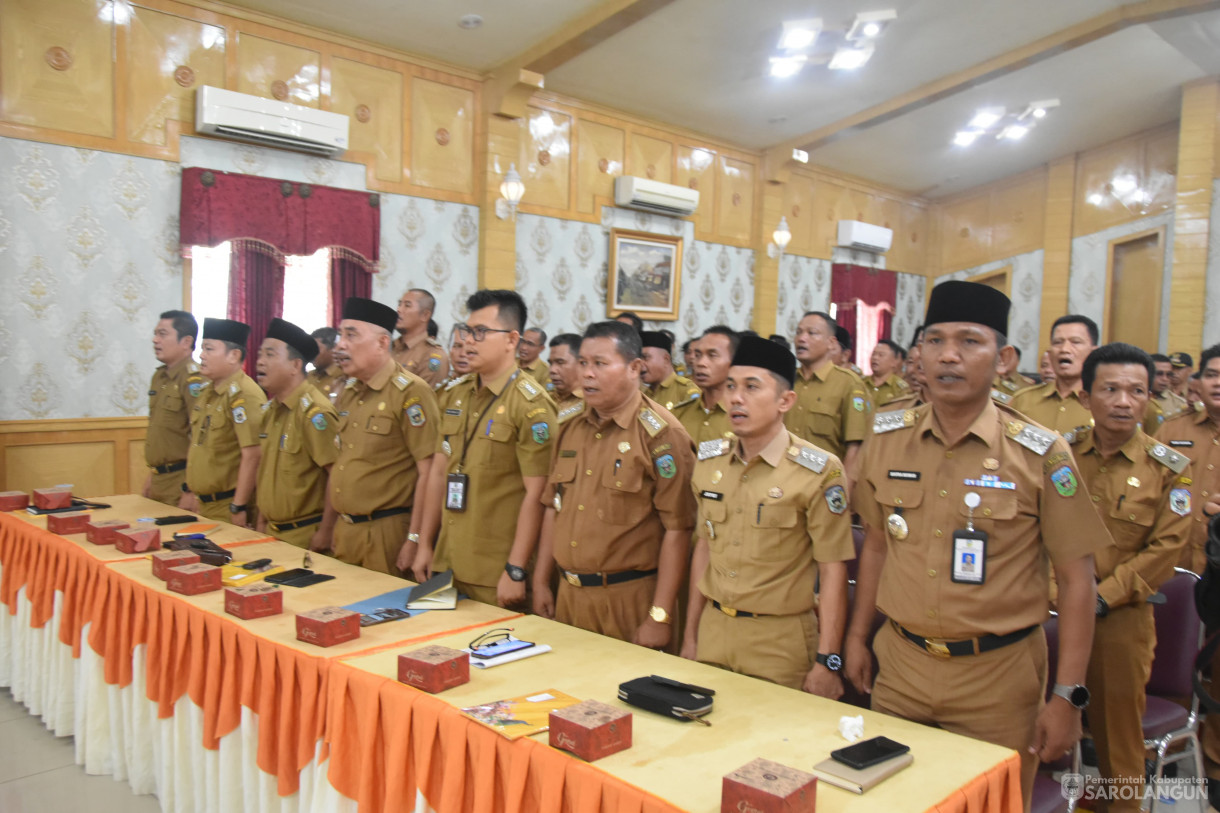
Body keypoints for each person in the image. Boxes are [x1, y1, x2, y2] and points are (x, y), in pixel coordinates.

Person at [846, 280, 1105, 805]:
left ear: (1004, 358)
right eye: (935, 340)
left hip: (999, 678)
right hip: (901, 665)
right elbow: (875, 544)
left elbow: (1079, 580)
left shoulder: (1040, 453)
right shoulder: (887, 436)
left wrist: (1068, 697)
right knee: (891, 800)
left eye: (969, 342)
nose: (948, 355)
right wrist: (856, 636)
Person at [682, 335, 854, 695]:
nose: (735, 398)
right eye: (730, 386)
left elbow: (833, 569)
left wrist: (828, 660)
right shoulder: (710, 460)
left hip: (779, 640)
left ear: (785, 401)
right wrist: (691, 635)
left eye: (751, 387)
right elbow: (704, 550)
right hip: (714, 627)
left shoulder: (819, 471)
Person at [1071, 342, 1190, 813]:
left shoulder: (1167, 469)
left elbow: (1167, 550)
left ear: (1149, 399)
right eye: (1111, 389)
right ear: (1086, 397)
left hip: (1118, 622)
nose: (1124, 401)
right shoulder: (1061, 455)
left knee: (1117, 744)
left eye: (1137, 391)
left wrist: (1101, 597)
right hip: (1050, 613)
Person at [533, 322, 696, 649]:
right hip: (569, 593)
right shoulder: (569, 425)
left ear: (635, 368)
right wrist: (540, 582)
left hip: (628, 598)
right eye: (583, 363)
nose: (587, 374)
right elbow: (554, 506)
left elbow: (679, 530)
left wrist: (660, 615)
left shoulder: (662, 435)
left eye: (600, 364)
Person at [412, 290, 557, 607]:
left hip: (496, 569)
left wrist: (516, 569)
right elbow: (438, 473)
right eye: (466, 330)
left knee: (487, 651)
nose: (468, 341)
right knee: (438, 650)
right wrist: (424, 544)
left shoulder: (531, 407)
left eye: (481, 332)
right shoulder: (456, 395)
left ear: (511, 339)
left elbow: (538, 495)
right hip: (446, 559)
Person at [330, 297, 439, 574]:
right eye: (340, 334)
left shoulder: (411, 392)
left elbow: (429, 472)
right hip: (346, 530)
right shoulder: (351, 392)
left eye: (351, 335)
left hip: (385, 532)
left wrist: (415, 539)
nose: (340, 344)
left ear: (381, 343)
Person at [254, 318, 340, 550]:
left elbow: (336, 474)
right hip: (272, 531)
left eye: (270, 355)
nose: (260, 362)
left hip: (304, 535)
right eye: (260, 355)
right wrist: (261, 520)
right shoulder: (272, 411)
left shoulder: (315, 413)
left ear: (295, 365)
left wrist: (326, 531)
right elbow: (266, 472)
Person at [182, 318, 266, 525]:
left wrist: (238, 506)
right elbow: (198, 445)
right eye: (202, 349)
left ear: (234, 355)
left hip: (227, 505)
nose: (201, 355)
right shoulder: (207, 391)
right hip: (203, 503)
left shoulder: (245, 394)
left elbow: (253, 456)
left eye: (209, 349)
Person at [1157, 345, 1220, 573]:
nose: (1217, 383)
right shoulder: (1172, 430)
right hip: (1171, 564)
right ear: (1199, 382)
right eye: (1211, 375)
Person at [784, 312, 867, 479]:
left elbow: (856, 447)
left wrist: (844, 490)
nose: (801, 338)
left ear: (831, 343)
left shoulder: (849, 384)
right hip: (782, 482)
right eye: (799, 332)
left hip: (823, 483)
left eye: (811, 333)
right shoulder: (785, 382)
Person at [144, 310, 205, 506]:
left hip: (181, 480)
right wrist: (152, 476)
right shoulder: (159, 377)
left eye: (162, 334)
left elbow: (200, 437)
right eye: (155, 333)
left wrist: (190, 486)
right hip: (158, 479)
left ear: (186, 342)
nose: (155, 340)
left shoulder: (193, 381)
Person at [675, 327, 737, 445]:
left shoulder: (744, 416)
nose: (700, 363)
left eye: (712, 355)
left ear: (733, 363)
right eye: (698, 355)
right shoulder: (680, 413)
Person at [391, 289, 450, 388]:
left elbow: (425, 399)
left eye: (407, 305)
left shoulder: (432, 356)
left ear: (425, 315)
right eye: (399, 304)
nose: (399, 310)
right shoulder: (389, 347)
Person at [641, 331, 700, 413]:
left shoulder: (686, 391)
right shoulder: (644, 394)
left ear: (666, 360)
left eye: (645, 358)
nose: (640, 364)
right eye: (638, 359)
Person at [866, 339, 910, 408]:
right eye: (873, 354)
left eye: (881, 355)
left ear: (894, 361)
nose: (875, 358)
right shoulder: (860, 382)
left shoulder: (901, 388)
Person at [546, 333, 583, 409]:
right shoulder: (546, 399)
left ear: (581, 363)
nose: (552, 370)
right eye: (550, 363)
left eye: (560, 362)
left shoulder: (592, 404)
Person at [308, 326, 346, 401]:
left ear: (334, 349)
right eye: (310, 349)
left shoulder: (343, 377)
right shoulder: (307, 377)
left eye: (316, 349)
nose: (311, 353)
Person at [1150, 353, 1188, 419]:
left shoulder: (1179, 404)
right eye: (1159, 374)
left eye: (1169, 374)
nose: (1165, 379)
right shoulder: (1133, 399)